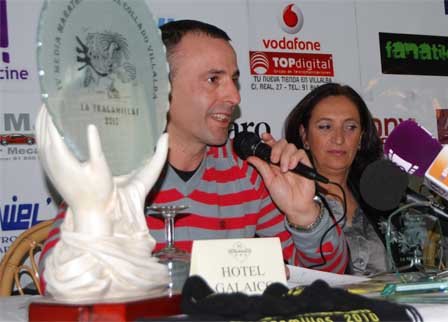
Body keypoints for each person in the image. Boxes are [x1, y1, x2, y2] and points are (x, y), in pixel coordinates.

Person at [39, 20, 348, 296]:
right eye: (214, 79)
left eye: (234, 79)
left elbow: (328, 276)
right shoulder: (115, 169)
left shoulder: (248, 169)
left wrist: (305, 215)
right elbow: (54, 277)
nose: (234, 97)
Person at [284, 83, 386, 275]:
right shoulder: (286, 198)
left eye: (350, 127)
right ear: (304, 136)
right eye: (325, 127)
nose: (339, 139)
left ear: (362, 138)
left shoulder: (380, 195)